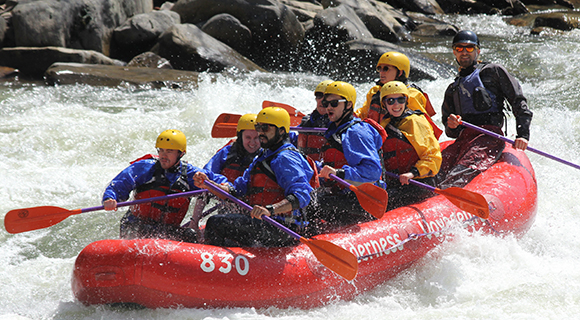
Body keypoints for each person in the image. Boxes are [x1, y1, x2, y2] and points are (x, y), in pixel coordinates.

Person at [193, 107, 315, 247]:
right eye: (259, 127)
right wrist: (209, 184)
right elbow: (236, 190)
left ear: (281, 131)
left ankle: (213, 265)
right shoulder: (263, 156)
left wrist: (270, 209)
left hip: (283, 228)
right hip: (264, 222)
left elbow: (302, 196)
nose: (260, 132)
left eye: (266, 128)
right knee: (224, 221)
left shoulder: (285, 158)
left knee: (216, 223)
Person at [437, 30, 533, 189]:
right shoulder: (452, 89)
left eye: (469, 48)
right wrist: (452, 125)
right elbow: (450, 132)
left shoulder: (493, 72)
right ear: (454, 52)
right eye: (459, 48)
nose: (464, 52)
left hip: (489, 137)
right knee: (435, 169)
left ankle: (447, 196)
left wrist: (523, 134)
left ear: (478, 51)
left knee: (460, 172)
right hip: (465, 140)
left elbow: (518, 100)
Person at [102, 129, 229, 242]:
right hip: (137, 225)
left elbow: (221, 182)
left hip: (168, 231)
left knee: (190, 236)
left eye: (169, 151)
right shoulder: (144, 167)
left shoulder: (190, 174)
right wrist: (110, 198)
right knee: (144, 229)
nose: (163, 155)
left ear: (181, 153)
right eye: (161, 150)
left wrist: (218, 185)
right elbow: (117, 185)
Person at [309, 81, 384, 230]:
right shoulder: (335, 130)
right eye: (326, 103)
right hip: (340, 194)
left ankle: (304, 239)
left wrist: (338, 173)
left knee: (310, 204)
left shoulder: (356, 132)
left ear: (348, 105)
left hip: (360, 200)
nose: (328, 107)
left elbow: (374, 171)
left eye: (334, 103)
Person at [186, 114, 261, 237]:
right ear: (240, 136)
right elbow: (206, 177)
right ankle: (193, 224)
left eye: (256, 138)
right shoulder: (226, 153)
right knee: (206, 184)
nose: (252, 142)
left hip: (253, 210)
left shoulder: (265, 157)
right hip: (227, 203)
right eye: (248, 137)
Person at [379, 81, 442, 210]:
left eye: (400, 100)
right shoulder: (385, 123)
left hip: (419, 182)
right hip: (397, 182)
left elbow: (433, 156)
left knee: (384, 201)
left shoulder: (415, 122)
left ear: (406, 101)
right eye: (390, 101)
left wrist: (412, 173)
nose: (396, 105)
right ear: (384, 104)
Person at [355, 51, 437, 125]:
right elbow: (363, 114)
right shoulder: (375, 91)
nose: (381, 72)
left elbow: (421, 124)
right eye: (379, 68)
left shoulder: (412, 95)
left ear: (400, 72)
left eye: (386, 68)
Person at [296, 79, 333, 161]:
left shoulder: (337, 124)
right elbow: (297, 140)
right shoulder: (307, 120)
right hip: (305, 165)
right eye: (319, 95)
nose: (322, 100)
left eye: (327, 97)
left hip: (325, 169)